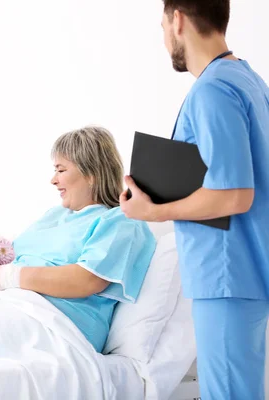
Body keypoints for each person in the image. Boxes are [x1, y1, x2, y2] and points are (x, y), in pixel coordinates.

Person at [120, 1, 269, 398]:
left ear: (178, 19)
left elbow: (235, 193)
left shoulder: (213, 90)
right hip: (243, 273)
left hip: (226, 275)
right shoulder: (248, 80)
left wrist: (153, 210)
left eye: (163, 24)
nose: (164, 37)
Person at [0, 126, 156, 352]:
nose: (53, 180)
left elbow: (88, 279)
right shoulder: (53, 215)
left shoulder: (120, 219)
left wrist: (6, 277)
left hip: (56, 324)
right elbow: (9, 266)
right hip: (6, 307)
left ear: (91, 173)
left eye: (60, 170)